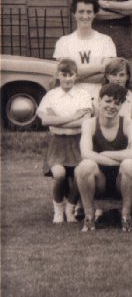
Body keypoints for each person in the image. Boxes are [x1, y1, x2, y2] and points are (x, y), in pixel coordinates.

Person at [75, 84, 132, 232]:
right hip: (98, 181)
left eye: (117, 103)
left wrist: (106, 154)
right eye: (108, 101)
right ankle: (89, 217)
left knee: (130, 164)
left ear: (121, 105)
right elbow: (85, 153)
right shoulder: (89, 124)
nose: (112, 106)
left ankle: (126, 216)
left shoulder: (129, 124)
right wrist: (116, 160)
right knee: (85, 166)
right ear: (99, 101)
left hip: (123, 180)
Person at [37, 58, 94, 224]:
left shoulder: (83, 94)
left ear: (76, 76)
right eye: (64, 74)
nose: (68, 78)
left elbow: (85, 121)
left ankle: (71, 207)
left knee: (79, 174)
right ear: (58, 75)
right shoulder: (51, 95)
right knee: (59, 174)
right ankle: (58, 209)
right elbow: (45, 121)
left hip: (78, 141)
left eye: (71, 74)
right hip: (57, 142)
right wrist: (73, 116)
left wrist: (58, 119)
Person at [53, 0, 117, 101]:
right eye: (81, 12)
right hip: (70, 100)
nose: (85, 16)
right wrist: (100, 67)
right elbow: (64, 74)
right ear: (74, 13)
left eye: (89, 12)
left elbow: (106, 76)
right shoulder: (63, 42)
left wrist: (75, 76)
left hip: (98, 100)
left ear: (94, 14)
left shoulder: (106, 41)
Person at [100, 57, 132, 122]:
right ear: (107, 76)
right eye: (114, 75)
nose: (118, 79)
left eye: (121, 75)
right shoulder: (99, 98)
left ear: (127, 76)